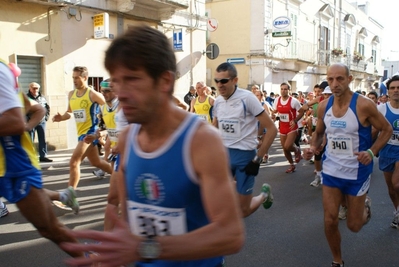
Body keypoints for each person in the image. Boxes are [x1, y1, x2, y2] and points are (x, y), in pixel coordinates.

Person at [60, 25, 244, 267]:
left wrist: (145, 248)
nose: (120, 93)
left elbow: (230, 235)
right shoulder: (128, 139)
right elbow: (131, 219)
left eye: (132, 80)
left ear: (164, 81)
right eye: (116, 82)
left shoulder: (201, 141)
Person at [302, 63, 392, 267]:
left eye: (340, 79)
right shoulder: (324, 106)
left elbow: (386, 129)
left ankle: (365, 206)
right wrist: (312, 148)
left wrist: (371, 151)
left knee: (354, 225)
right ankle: (337, 261)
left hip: (357, 172)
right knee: (329, 220)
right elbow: (318, 133)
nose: (334, 84)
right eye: (330, 79)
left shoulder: (364, 105)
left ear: (350, 79)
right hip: (331, 170)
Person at [0, 59, 82, 255]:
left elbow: (22, 118)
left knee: (49, 228)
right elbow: (35, 109)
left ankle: (93, 260)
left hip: (14, 164)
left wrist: (26, 127)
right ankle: (64, 195)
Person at [212, 62, 277, 218]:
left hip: (245, 157)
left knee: (243, 211)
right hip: (224, 155)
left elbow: (272, 129)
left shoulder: (247, 98)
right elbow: (215, 127)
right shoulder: (218, 101)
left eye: (224, 81)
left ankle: (263, 195)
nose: (219, 85)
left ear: (235, 80)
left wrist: (257, 159)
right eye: (216, 81)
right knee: (218, 200)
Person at [52, 66, 113, 191]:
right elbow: (69, 113)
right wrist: (61, 117)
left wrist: (103, 131)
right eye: (73, 78)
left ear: (85, 78)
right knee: (96, 162)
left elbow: (109, 109)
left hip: (90, 133)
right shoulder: (71, 94)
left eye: (77, 78)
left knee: (74, 162)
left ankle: (70, 195)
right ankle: (122, 176)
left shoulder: (93, 94)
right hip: (80, 133)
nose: (74, 81)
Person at [375, 75, 399, 228]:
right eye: (393, 88)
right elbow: (372, 129)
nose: (396, 90)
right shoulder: (381, 109)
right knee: (391, 187)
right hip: (386, 150)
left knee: (397, 184)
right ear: (388, 92)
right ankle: (397, 211)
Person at [273, 82, 305, 173]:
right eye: (282, 89)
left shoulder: (294, 101)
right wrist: (273, 115)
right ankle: (292, 165)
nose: (283, 91)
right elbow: (275, 111)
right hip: (282, 127)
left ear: (289, 90)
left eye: (285, 89)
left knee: (288, 146)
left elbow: (302, 112)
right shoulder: (277, 100)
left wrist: (295, 121)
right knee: (285, 148)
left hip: (292, 127)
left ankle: (297, 149)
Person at [26, 82, 52, 162]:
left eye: (37, 88)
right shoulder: (26, 98)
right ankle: (30, 157)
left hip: (41, 122)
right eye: (33, 88)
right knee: (30, 140)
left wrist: (46, 117)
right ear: (30, 88)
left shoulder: (42, 97)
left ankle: (43, 156)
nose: (35, 90)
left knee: (42, 139)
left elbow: (47, 108)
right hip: (31, 122)